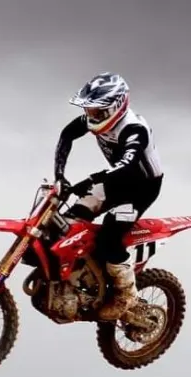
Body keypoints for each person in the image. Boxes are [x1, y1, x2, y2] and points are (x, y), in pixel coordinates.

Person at [53, 71, 164, 321]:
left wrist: (91, 179)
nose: (91, 115)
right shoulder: (94, 119)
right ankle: (84, 277)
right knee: (69, 222)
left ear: (115, 106)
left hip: (140, 188)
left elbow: (127, 164)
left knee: (109, 237)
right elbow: (67, 135)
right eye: (89, 109)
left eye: (97, 110)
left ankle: (126, 295)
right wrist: (59, 175)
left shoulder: (134, 129)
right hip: (114, 181)